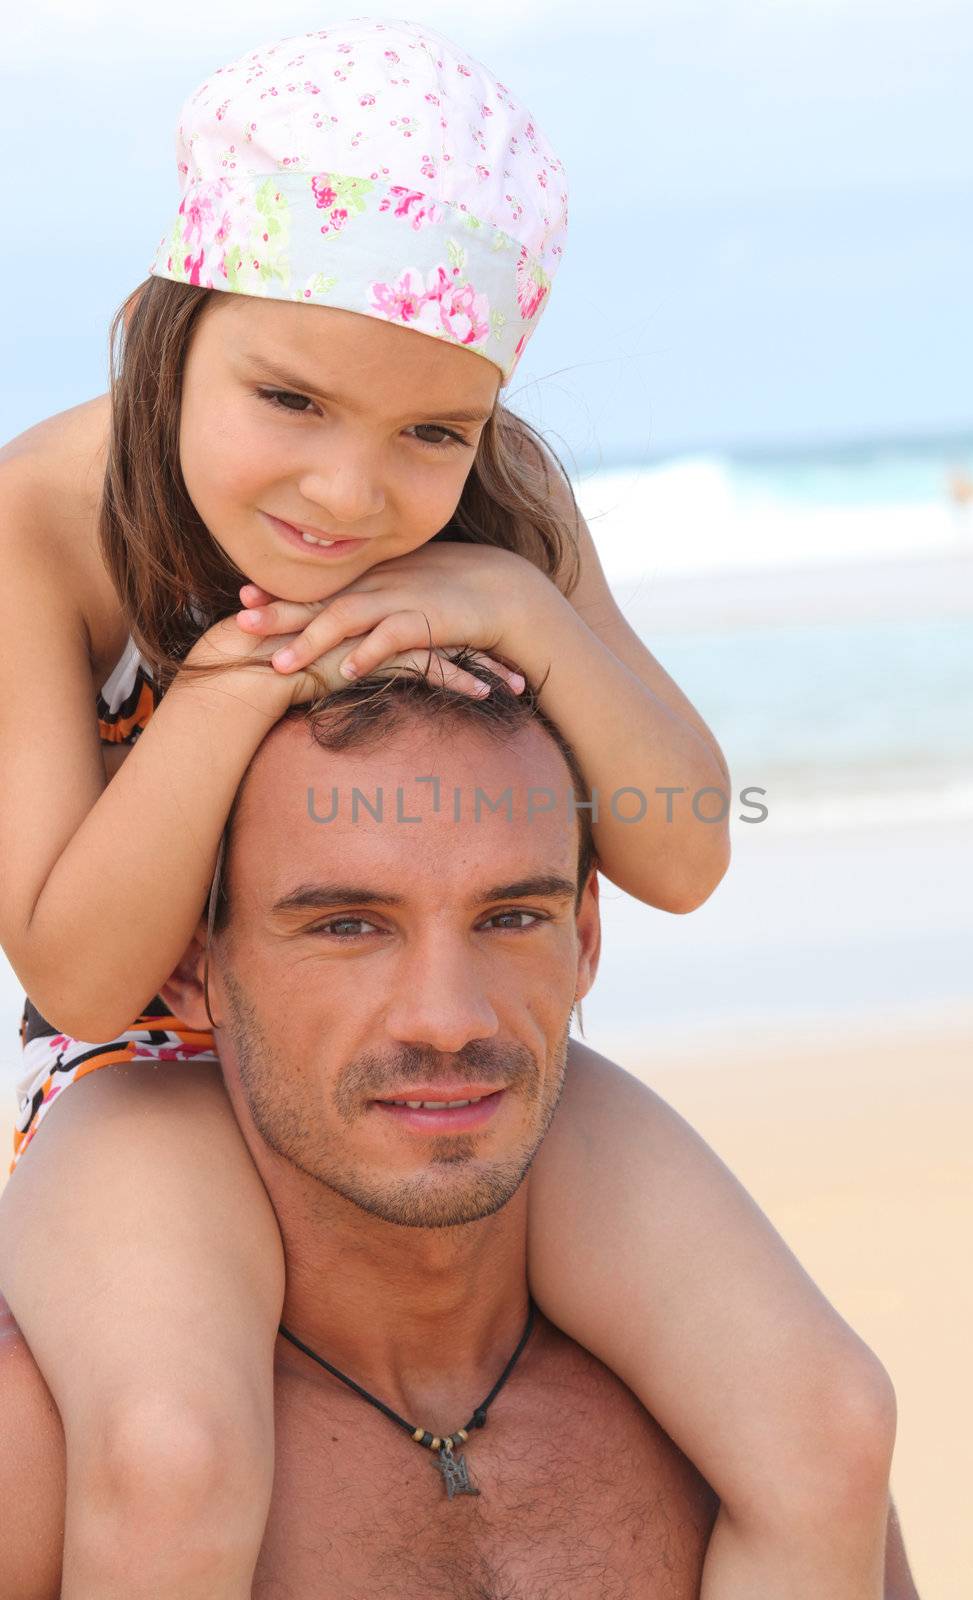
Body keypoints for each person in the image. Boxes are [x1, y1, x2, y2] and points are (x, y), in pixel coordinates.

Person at [0, 19, 898, 1600]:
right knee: (171, 1456)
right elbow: (72, 972)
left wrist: (528, 608)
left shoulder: (502, 517)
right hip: (148, 1071)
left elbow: (679, 850)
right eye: (289, 398)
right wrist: (225, 691)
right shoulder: (47, 522)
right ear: (165, 333)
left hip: (445, 1033)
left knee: (825, 1423)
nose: (348, 495)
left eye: (430, 430)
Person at [0, 669, 921, 1598]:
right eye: (348, 925)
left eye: (512, 916)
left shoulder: (744, 1437)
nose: (448, 1018)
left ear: (586, 938)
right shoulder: (47, 1460)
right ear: (190, 969)